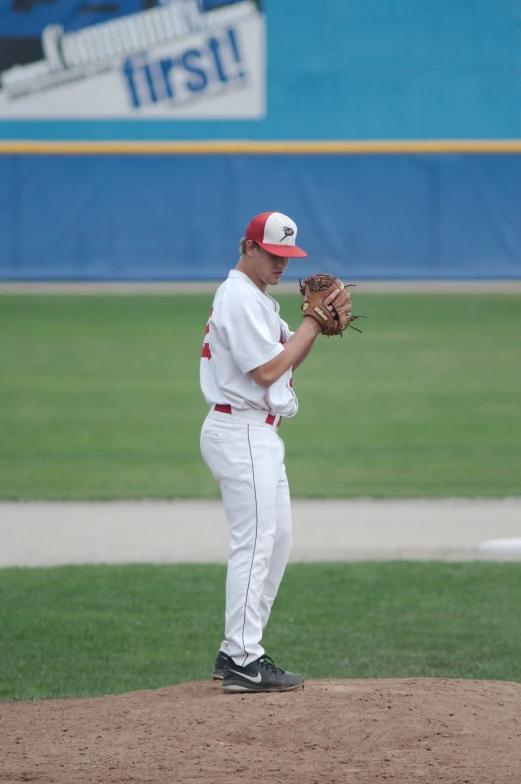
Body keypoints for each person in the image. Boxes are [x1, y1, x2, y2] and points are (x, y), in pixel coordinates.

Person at [199, 210, 351, 693]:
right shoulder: (238, 299)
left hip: (258, 432)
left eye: (288, 256)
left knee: (277, 538)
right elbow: (266, 374)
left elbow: (286, 365)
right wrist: (310, 321)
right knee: (256, 541)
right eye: (273, 254)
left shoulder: (259, 302)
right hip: (240, 430)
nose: (282, 265)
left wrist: (312, 330)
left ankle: (237, 647)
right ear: (248, 248)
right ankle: (244, 658)